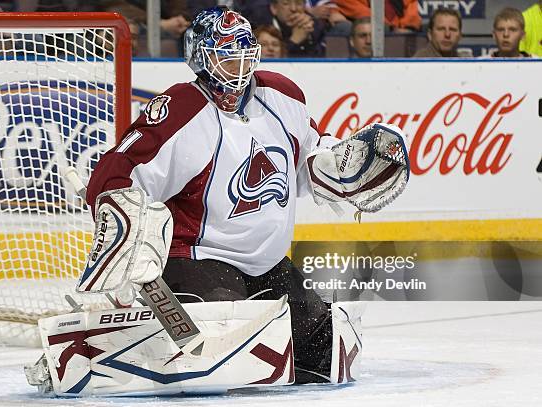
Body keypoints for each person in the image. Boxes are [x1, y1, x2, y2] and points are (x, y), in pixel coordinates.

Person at [85, 6, 407, 384]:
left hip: (267, 263)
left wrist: (335, 169)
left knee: (325, 348)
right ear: (201, 58)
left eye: (244, 49)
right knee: (235, 347)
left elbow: (305, 163)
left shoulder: (282, 95)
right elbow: (116, 174)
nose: (238, 61)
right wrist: (124, 222)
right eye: (226, 52)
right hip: (198, 256)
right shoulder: (181, 111)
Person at [329, 0, 421, 32]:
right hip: (371, 33)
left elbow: (411, 7)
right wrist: (392, 28)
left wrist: (407, 27)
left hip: (401, 33)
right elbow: (361, 12)